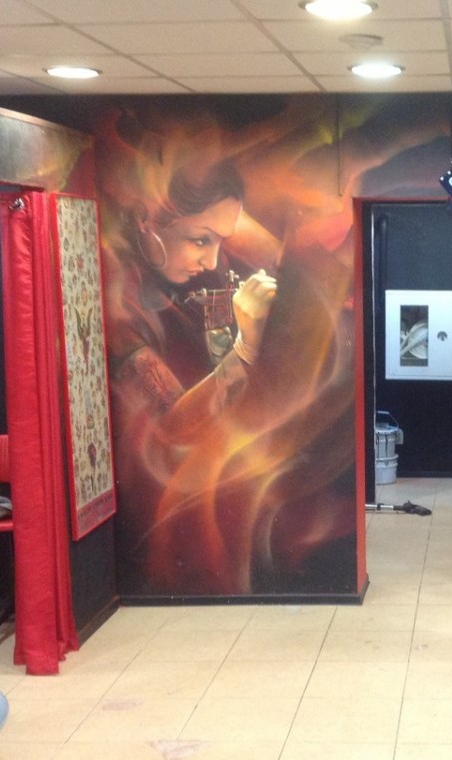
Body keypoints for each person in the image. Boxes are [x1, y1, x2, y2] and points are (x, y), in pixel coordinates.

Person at [102, 157, 282, 594]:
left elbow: (276, 255)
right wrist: (246, 348)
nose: (212, 258)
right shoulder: (117, 298)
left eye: (222, 240)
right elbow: (173, 424)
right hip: (163, 496)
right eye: (201, 240)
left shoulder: (196, 253)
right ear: (145, 220)